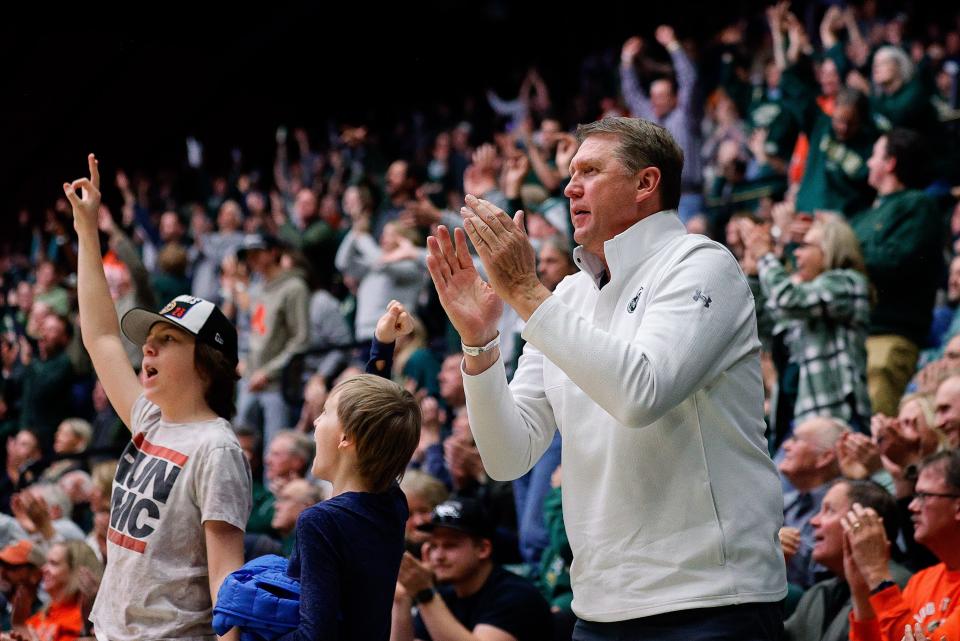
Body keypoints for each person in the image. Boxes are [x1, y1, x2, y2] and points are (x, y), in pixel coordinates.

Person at [425, 117, 786, 639]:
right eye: (571, 173)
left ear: (646, 183)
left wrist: (525, 292)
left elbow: (641, 393)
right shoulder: (567, 298)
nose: (570, 186)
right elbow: (508, 457)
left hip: (711, 598)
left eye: (590, 171)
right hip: (599, 607)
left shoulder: (702, 264)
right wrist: (480, 343)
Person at [63, 154, 251, 641]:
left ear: (206, 361)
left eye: (168, 339)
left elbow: (226, 582)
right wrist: (88, 232)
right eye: (151, 338)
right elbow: (102, 336)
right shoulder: (150, 417)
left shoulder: (218, 448)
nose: (147, 346)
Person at [278, 374, 419, 640]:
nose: (316, 422)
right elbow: (381, 418)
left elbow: (314, 636)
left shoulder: (320, 522)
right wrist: (382, 347)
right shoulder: (393, 502)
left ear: (346, 437)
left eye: (324, 413)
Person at [743, 216, 871, 432]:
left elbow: (787, 300)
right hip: (797, 421)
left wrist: (765, 256)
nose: (796, 253)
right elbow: (755, 321)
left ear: (831, 249)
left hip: (837, 421)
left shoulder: (848, 283)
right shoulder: (806, 295)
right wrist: (755, 276)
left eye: (805, 245)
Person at [849, 129, 944, 417]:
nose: (867, 162)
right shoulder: (864, 215)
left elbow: (895, 261)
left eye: (875, 155)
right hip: (856, 337)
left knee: (879, 437)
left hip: (889, 339)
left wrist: (843, 251)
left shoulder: (918, 205)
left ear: (890, 163)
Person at [390, 497, 553, 641]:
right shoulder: (444, 595)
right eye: (433, 546)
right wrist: (401, 599)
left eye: (450, 545)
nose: (438, 556)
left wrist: (424, 594)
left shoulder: (516, 595)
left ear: (483, 549)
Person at [845, 450, 960, 641]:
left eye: (924, 495)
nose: (912, 506)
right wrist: (860, 593)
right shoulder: (921, 582)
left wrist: (877, 576)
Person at [783, 479, 910, 641]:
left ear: (864, 523)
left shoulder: (894, 586)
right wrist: (770, 574)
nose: (813, 521)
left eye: (829, 511)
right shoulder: (818, 593)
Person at [23, 540, 104, 641]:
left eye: (53, 563)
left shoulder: (82, 621)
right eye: (46, 563)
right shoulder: (48, 610)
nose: (44, 569)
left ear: (76, 571)